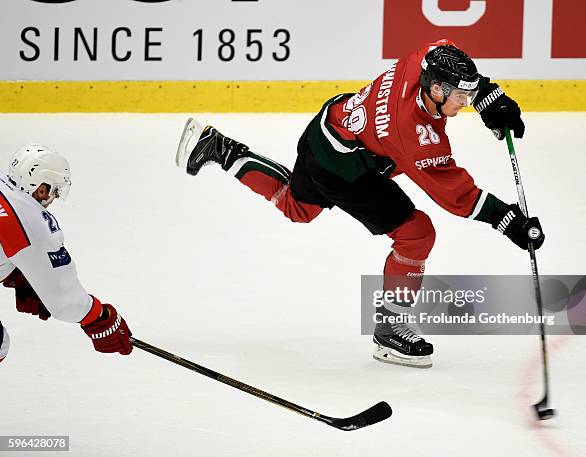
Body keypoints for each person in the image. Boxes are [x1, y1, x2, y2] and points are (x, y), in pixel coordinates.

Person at [174, 39, 545, 369]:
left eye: (468, 97)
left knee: (297, 209)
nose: (465, 104)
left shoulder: (423, 60)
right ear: (435, 89)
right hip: (344, 169)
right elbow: (458, 197)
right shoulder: (415, 136)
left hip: (327, 128)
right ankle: (389, 327)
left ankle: (221, 150)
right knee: (417, 234)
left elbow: (446, 53)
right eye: (460, 98)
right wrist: (509, 220)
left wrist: (491, 101)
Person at [0, 144, 132, 364]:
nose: (53, 198)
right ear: (41, 188)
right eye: (54, 191)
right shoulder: (30, 221)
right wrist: (100, 318)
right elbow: (66, 301)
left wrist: (13, 272)